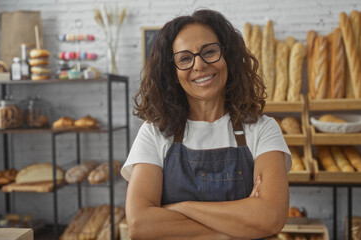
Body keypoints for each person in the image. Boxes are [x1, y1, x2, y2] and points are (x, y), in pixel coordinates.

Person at [121, 9, 292, 240]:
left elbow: (271, 218)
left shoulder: (262, 129)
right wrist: (239, 225)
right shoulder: (154, 133)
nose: (199, 65)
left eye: (209, 51)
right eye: (184, 58)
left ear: (227, 57)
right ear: (172, 73)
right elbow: (140, 225)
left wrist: (182, 208)